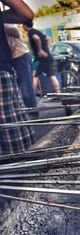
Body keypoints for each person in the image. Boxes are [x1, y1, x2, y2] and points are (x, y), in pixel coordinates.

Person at [0, 0, 35, 154]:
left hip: (9, 65)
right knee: (19, 148)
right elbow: (27, 14)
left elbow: (25, 15)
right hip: (3, 71)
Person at [4, 23, 37, 111]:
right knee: (16, 88)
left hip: (21, 57)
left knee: (25, 88)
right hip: (14, 59)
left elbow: (16, 33)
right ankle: (25, 112)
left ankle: (32, 113)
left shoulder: (7, 22)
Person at [23, 23, 60, 94]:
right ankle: (58, 93)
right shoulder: (37, 31)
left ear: (25, 25)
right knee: (51, 75)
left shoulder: (30, 32)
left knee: (33, 76)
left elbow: (37, 38)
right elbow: (49, 38)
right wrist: (47, 50)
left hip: (39, 59)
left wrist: (40, 50)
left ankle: (32, 95)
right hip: (48, 57)